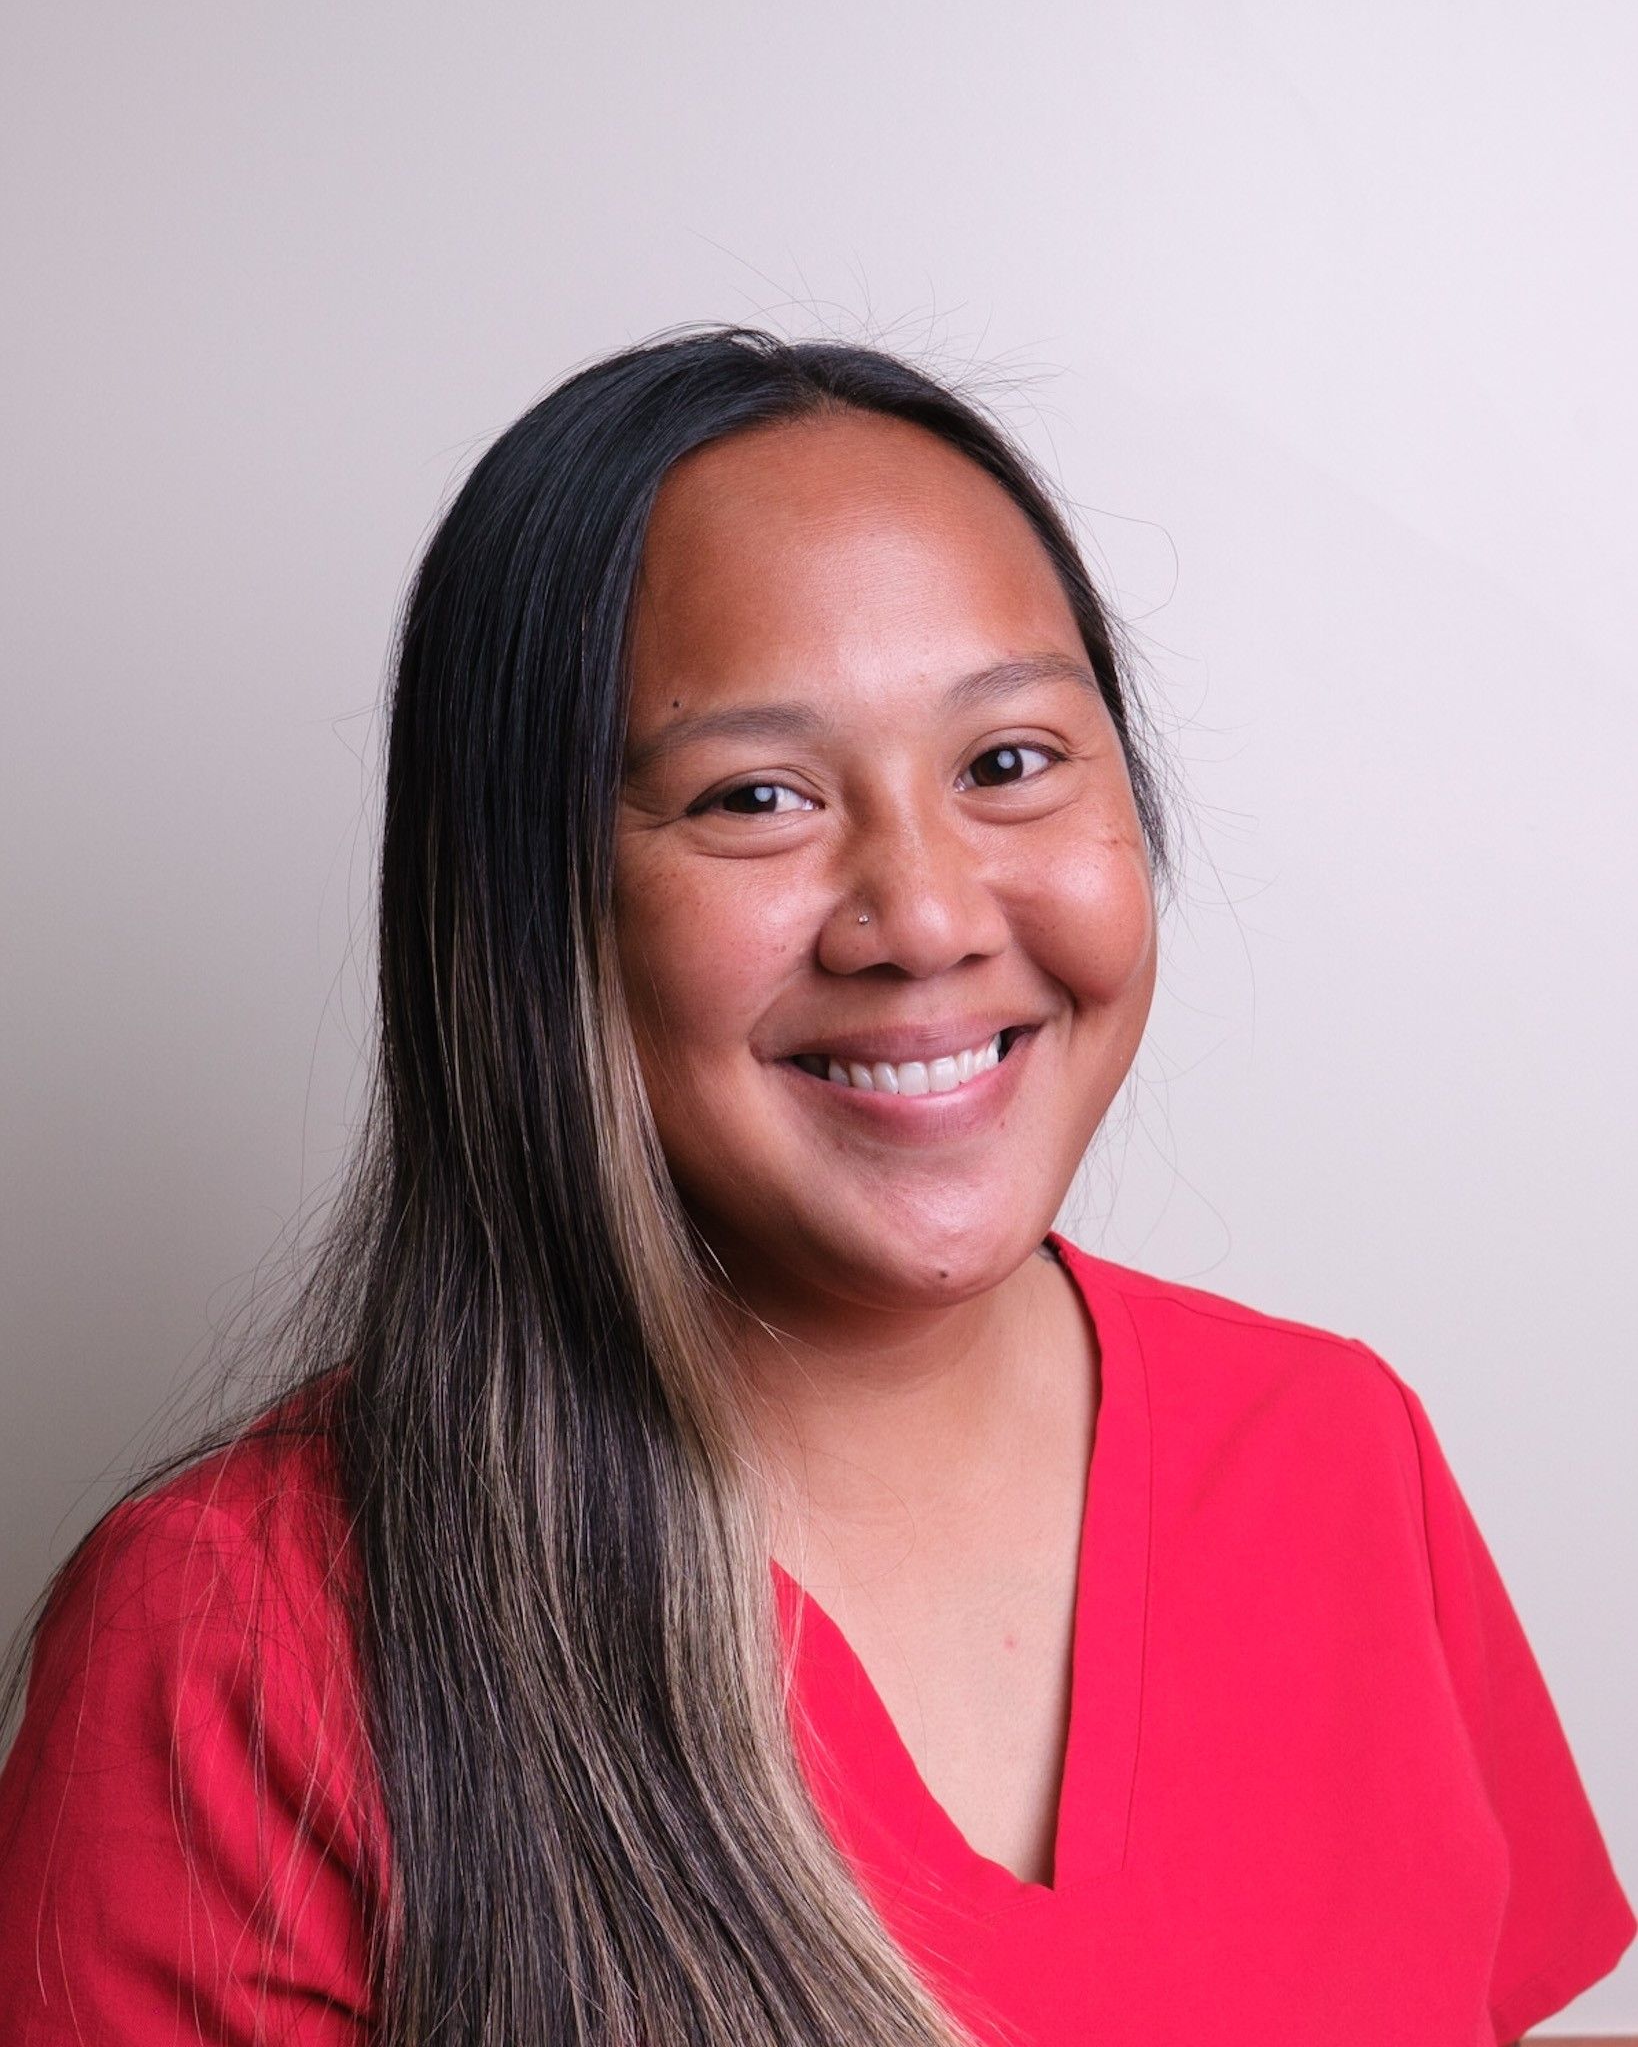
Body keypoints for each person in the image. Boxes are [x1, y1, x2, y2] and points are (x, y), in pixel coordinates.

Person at [0, 325, 1630, 2047]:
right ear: (527, 913)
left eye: (1008, 762)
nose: (923, 916)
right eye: (753, 797)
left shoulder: (1335, 1446)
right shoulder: (234, 1645)